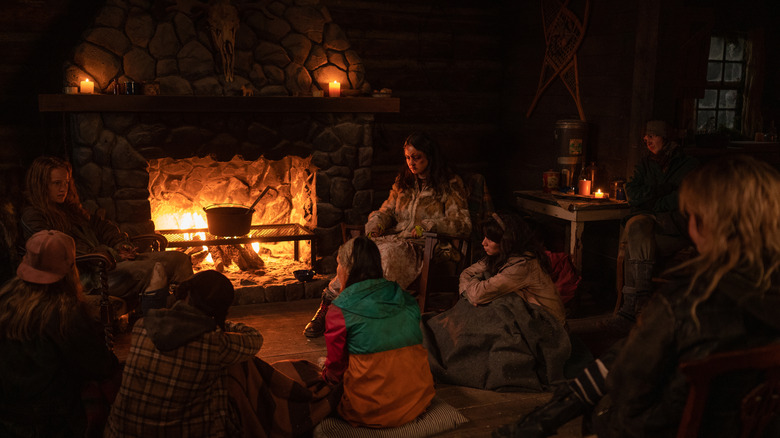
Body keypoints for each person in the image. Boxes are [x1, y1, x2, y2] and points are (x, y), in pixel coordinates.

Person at [494, 155, 780, 438]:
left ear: (706, 225)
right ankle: (540, 421)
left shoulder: (687, 303)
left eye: (691, 216)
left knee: (625, 363)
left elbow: (628, 383)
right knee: (633, 349)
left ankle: (535, 425)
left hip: (659, 429)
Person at [304, 132, 472, 337]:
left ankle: (365, 315)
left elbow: (462, 223)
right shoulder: (404, 182)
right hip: (395, 238)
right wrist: (376, 224)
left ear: (430, 156)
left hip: (423, 246)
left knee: (386, 256)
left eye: (417, 157)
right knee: (354, 251)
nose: (411, 163)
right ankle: (328, 306)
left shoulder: (449, 183)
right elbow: (387, 211)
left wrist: (429, 225)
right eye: (408, 158)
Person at [422, 213, 573, 392]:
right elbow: (466, 274)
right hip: (519, 309)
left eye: (490, 239)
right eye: (484, 237)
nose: (483, 243)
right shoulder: (500, 255)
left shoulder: (522, 265)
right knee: (481, 294)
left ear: (507, 241)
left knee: (491, 303)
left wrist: (472, 293)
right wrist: (470, 292)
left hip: (545, 324)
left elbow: (478, 294)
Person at [20, 156, 193, 311]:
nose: (63, 188)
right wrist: (112, 254)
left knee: (179, 259)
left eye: (66, 183)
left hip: (108, 263)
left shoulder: (70, 209)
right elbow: (61, 252)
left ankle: (190, 317)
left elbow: (102, 227)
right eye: (57, 183)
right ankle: (160, 325)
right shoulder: (34, 216)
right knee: (156, 270)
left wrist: (121, 245)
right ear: (42, 185)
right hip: (89, 277)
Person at [105, 269, 264, 436]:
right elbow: (255, 338)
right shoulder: (213, 342)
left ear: (187, 294)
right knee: (234, 367)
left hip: (119, 432)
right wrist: (220, 322)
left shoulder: (143, 325)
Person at [0, 230, 119, 437]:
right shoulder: (65, 314)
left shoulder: (5, 298)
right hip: (50, 422)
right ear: (71, 268)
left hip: (5, 416)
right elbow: (100, 366)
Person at [322, 235, 436, 427]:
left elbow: (335, 369)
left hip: (368, 411)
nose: (337, 270)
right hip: (417, 401)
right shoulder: (407, 299)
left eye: (339, 264)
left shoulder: (339, 310)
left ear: (348, 269)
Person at [608, 120, 698, 331]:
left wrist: (652, 203)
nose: (646, 140)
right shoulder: (645, 164)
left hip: (674, 229)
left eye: (652, 136)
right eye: (646, 136)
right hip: (649, 223)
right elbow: (633, 193)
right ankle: (641, 303)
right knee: (637, 228)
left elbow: (683, 196)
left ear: (666, 138)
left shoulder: (688, 165)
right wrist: (660, 191)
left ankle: (629, 311)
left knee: (634, 244)